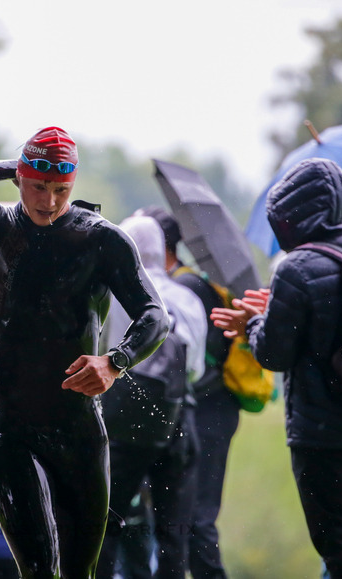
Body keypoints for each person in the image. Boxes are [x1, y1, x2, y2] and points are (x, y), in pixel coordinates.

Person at [0, 126, 169, 578]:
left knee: (81, 571)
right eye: (38, 187)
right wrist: (14, 165)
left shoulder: (101, 239)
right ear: (19, 179)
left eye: (62, 189)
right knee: (37, 571)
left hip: (77, 427)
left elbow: (155, 315)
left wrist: (114, 361)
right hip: (10, 430)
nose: (49, 201)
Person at [211, 158, 342, 579]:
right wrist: (273, 315)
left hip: (321, 430)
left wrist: (252, 324)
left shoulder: (297, 268)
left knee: (340, 544)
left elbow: (274, 355)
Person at [96, 214, 206, 579]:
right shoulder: (187, 299)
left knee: (107, 523)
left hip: (124, 424)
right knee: (173, 532)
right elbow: (196, 370)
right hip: (178, 422)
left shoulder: (114, 297)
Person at [138, 205, 240, 579]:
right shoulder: (192, 282)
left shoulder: (182, 289)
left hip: (205, 411)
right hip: (212, 409)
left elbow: (190, 366)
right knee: (188, 519)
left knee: (194, 519)